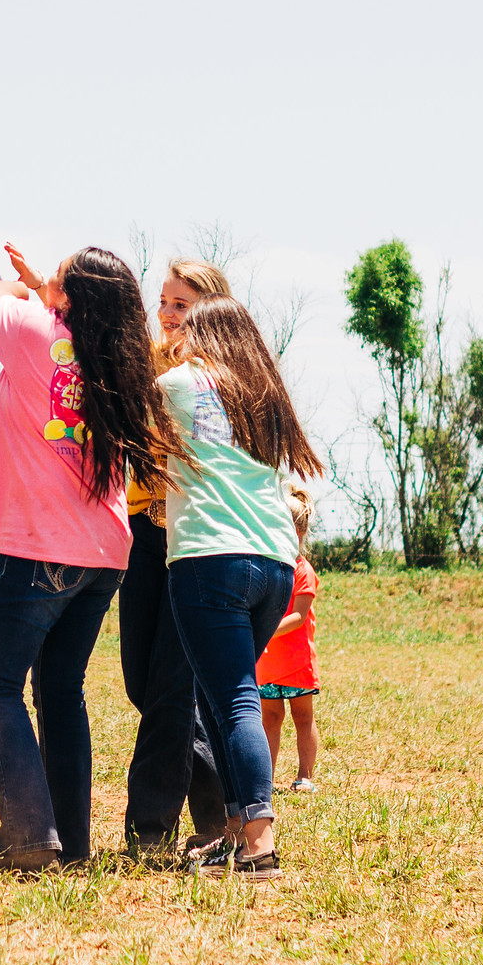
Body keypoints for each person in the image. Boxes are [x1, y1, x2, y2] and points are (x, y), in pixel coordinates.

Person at [0, 243, 183, 871]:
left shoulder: (35, 331)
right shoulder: (121, 363)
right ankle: (69, 841)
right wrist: (49, 291)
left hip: (37, 547)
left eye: (60, 267)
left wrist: (29, 291)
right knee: (60, 690)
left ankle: (31, 834)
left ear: (73, 295)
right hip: (105, 552)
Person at [161, 294, 325, 880]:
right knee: (218, 693)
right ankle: (234, 829)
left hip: (208, 557)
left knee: (233, 699)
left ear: (201, 333)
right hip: (275, 562)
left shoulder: (176, 385)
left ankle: (259, 843)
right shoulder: (263, 394)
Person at [118, 259, 231, 854]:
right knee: (143, 678)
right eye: (162, 301)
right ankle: (219, 813)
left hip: (192, 535)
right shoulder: (152, 364)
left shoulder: (220, 379)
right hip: (140, 528)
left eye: (181, 304)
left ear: (210, 311)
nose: (165, 313)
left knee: (168, 683)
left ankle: (151, 829)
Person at [258, 484, 320, 793]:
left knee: (303, 716)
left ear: (297, 530)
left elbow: (298, 616)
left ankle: (304, 776)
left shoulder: (302, 570)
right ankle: (264, 779)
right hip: (268, 664)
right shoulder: (269, 568)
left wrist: (266, 628)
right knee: (269, 717)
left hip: (296, 664)